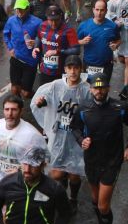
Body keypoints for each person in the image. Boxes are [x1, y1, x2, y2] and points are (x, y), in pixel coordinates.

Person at [75, 73, 128, 224]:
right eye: (96, 88)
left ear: (108, 89)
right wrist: (81, 140)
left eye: (102, 87)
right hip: (92, 160)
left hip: (112, 161)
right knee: (95, 200)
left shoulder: (119, 108)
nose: (99, 91)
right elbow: (75, 128)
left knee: (103, 204)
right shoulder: (83, 109)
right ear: (91, 89)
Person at [33, 56, 92, 206]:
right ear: (65, 69)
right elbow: (46, 99)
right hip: (58, 135)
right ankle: (56, 199)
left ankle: (73, 198)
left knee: (75, 174)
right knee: (55, 173)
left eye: (76, 68)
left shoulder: (86, 90)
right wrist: (41, 102)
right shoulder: (55, 85)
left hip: (76, 137)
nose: (73, 71)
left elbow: (92, 111)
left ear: (81, 69)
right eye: (69, 68)